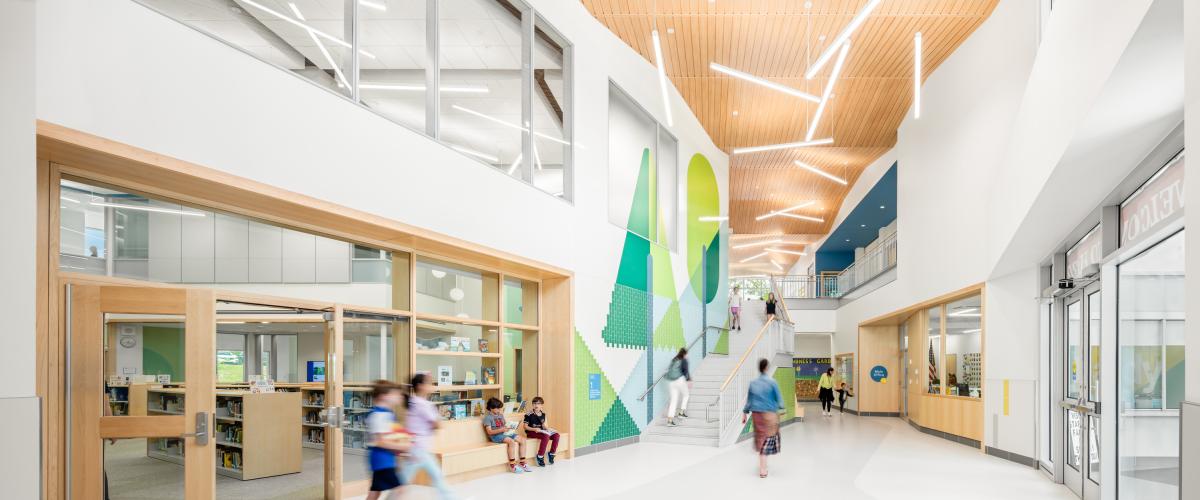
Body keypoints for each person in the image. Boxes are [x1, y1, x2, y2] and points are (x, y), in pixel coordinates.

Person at [400, 374, 456, 499]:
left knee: (435, 476)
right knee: (404, 482)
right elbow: (437, 424)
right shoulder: (423, 405)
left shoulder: (413, 401)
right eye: (429, 383)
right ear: (420, 386)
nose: (432, 385)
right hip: (418, 449)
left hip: (417, 448)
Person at [366, 380, 410, 500]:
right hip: (382, 461)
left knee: (375, 491)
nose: (398, 396)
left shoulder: (387, 413)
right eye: (395, 393)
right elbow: (381, 441)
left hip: (384, 460)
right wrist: (403, 447)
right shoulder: (379, 416)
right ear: (383, 396)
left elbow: (390, 437)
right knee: (400, 490)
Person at [741, 358, 783, 478]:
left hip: (756, 414)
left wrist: (744, 413)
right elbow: (779, 401)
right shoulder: (772, 382)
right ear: (766, 368)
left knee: (760, 438)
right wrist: (779, 408)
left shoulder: (753, 383)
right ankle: (763, 469)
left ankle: (763, 466)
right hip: (769, 414)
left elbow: (749, 401)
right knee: (767, 440)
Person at [483, 397, 531, 473]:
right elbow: (489, 432)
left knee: (522, 440)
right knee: (511, 441)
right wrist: (501, 430)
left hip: (505, 433)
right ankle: (512, 465)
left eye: (500, 408)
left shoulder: (500, 415)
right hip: (496, 436)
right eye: (497, 408)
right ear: (491, 408)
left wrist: (511, 427)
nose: (499, 410)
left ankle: (522, 462)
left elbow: (505, 425)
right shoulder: (488, 418)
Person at [523, 396, 560, 467]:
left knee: (556, 435)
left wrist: (549, 429)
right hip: (532, 432)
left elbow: (543, 425)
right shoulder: (528, 414)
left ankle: (552, 454)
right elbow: (525, 427)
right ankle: (540, 456)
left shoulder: (543, 414)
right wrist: (535, 429)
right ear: (532, 405)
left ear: (541, 405)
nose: (536, 405)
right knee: (546, 436)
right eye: (534, 403)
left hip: (541, 431)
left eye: (538, 404)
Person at [664, 348, 691, 426]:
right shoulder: (684, 360)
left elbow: (668, 369)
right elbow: (685, 371)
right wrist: (688, 380)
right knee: (686, 395)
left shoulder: (674, 359)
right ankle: (681, 413)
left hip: (671, 382)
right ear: (685, 354)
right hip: (679, 380)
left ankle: (670, 420)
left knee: (673, 400)